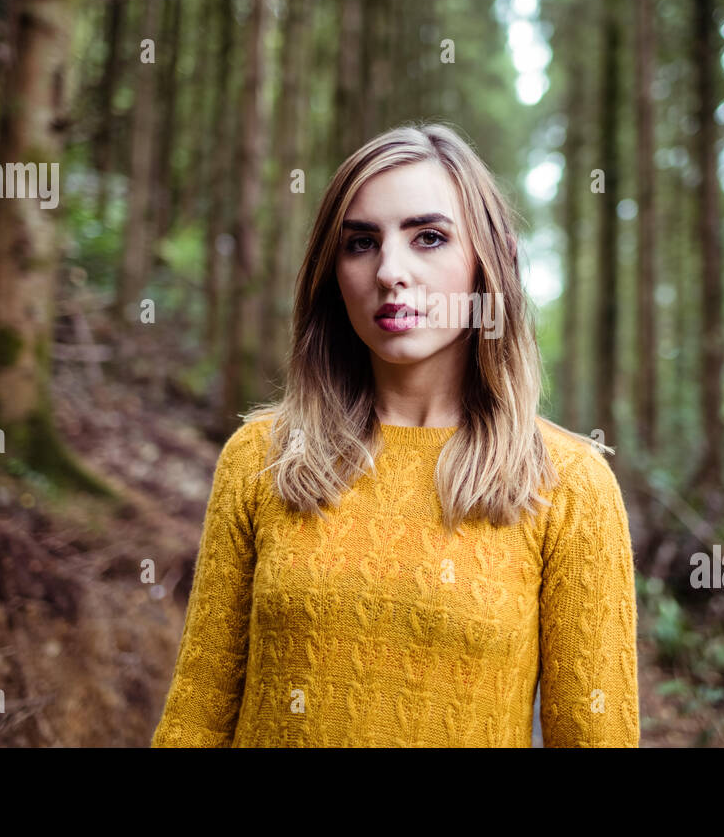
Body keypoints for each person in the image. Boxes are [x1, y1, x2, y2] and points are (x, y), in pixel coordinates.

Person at [151, 122, 639, 747]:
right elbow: (197, 716)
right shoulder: (261, 460)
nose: (389, 271)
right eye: (360, 243)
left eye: (428, 237)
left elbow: (595, 737)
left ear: (489, 263)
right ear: (333, 273)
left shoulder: (569, 485)